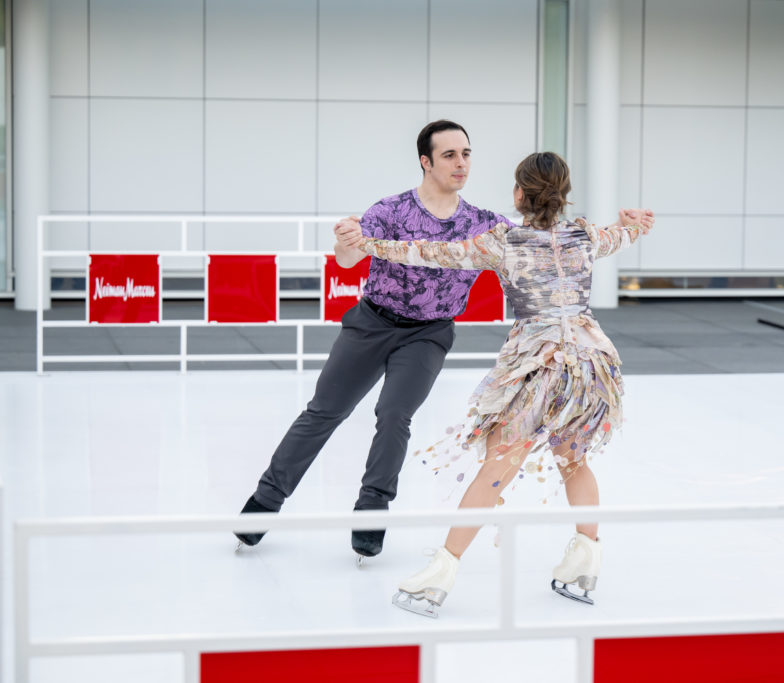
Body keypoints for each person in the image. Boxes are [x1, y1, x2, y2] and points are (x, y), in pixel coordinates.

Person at [338, 151, 655, 616]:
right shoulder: (586, 236)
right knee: (573, 461)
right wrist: (636, 222)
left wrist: (370, 244)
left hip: (538, 365)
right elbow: (625, 234)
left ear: (519, 194)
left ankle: (439, 574)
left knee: (496, 467)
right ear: (563, 194)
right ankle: (585, 562)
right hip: (588, 365)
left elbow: (430, 254)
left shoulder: (502, 242)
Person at [234, 120, 511, 564]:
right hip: (371, 324)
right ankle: (265, 502)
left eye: (466, 154)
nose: (461, 164)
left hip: (429, 333)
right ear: (426, 161)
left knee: (394, 414)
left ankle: (371, 509)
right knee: (324, 411)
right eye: (449, 155)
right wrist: (346, 241)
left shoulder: (483, 224)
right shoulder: (390, 211)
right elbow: (347, 260)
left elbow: (535, 244)